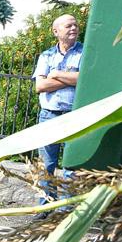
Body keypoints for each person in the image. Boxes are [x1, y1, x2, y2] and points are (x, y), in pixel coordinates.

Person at [33, 14, 81, 209]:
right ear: (56, 31)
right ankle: (46, 206)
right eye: (69, 25)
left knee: (71, 165)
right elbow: (40, 86)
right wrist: (70, 78)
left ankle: (65, 210)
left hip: (76, 115)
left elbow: (85, 79)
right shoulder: (46, 56)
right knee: (46, 165)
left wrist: (57, 73)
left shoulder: (85, 53)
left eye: (76, 25)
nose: (74, 28)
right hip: (49, 115)